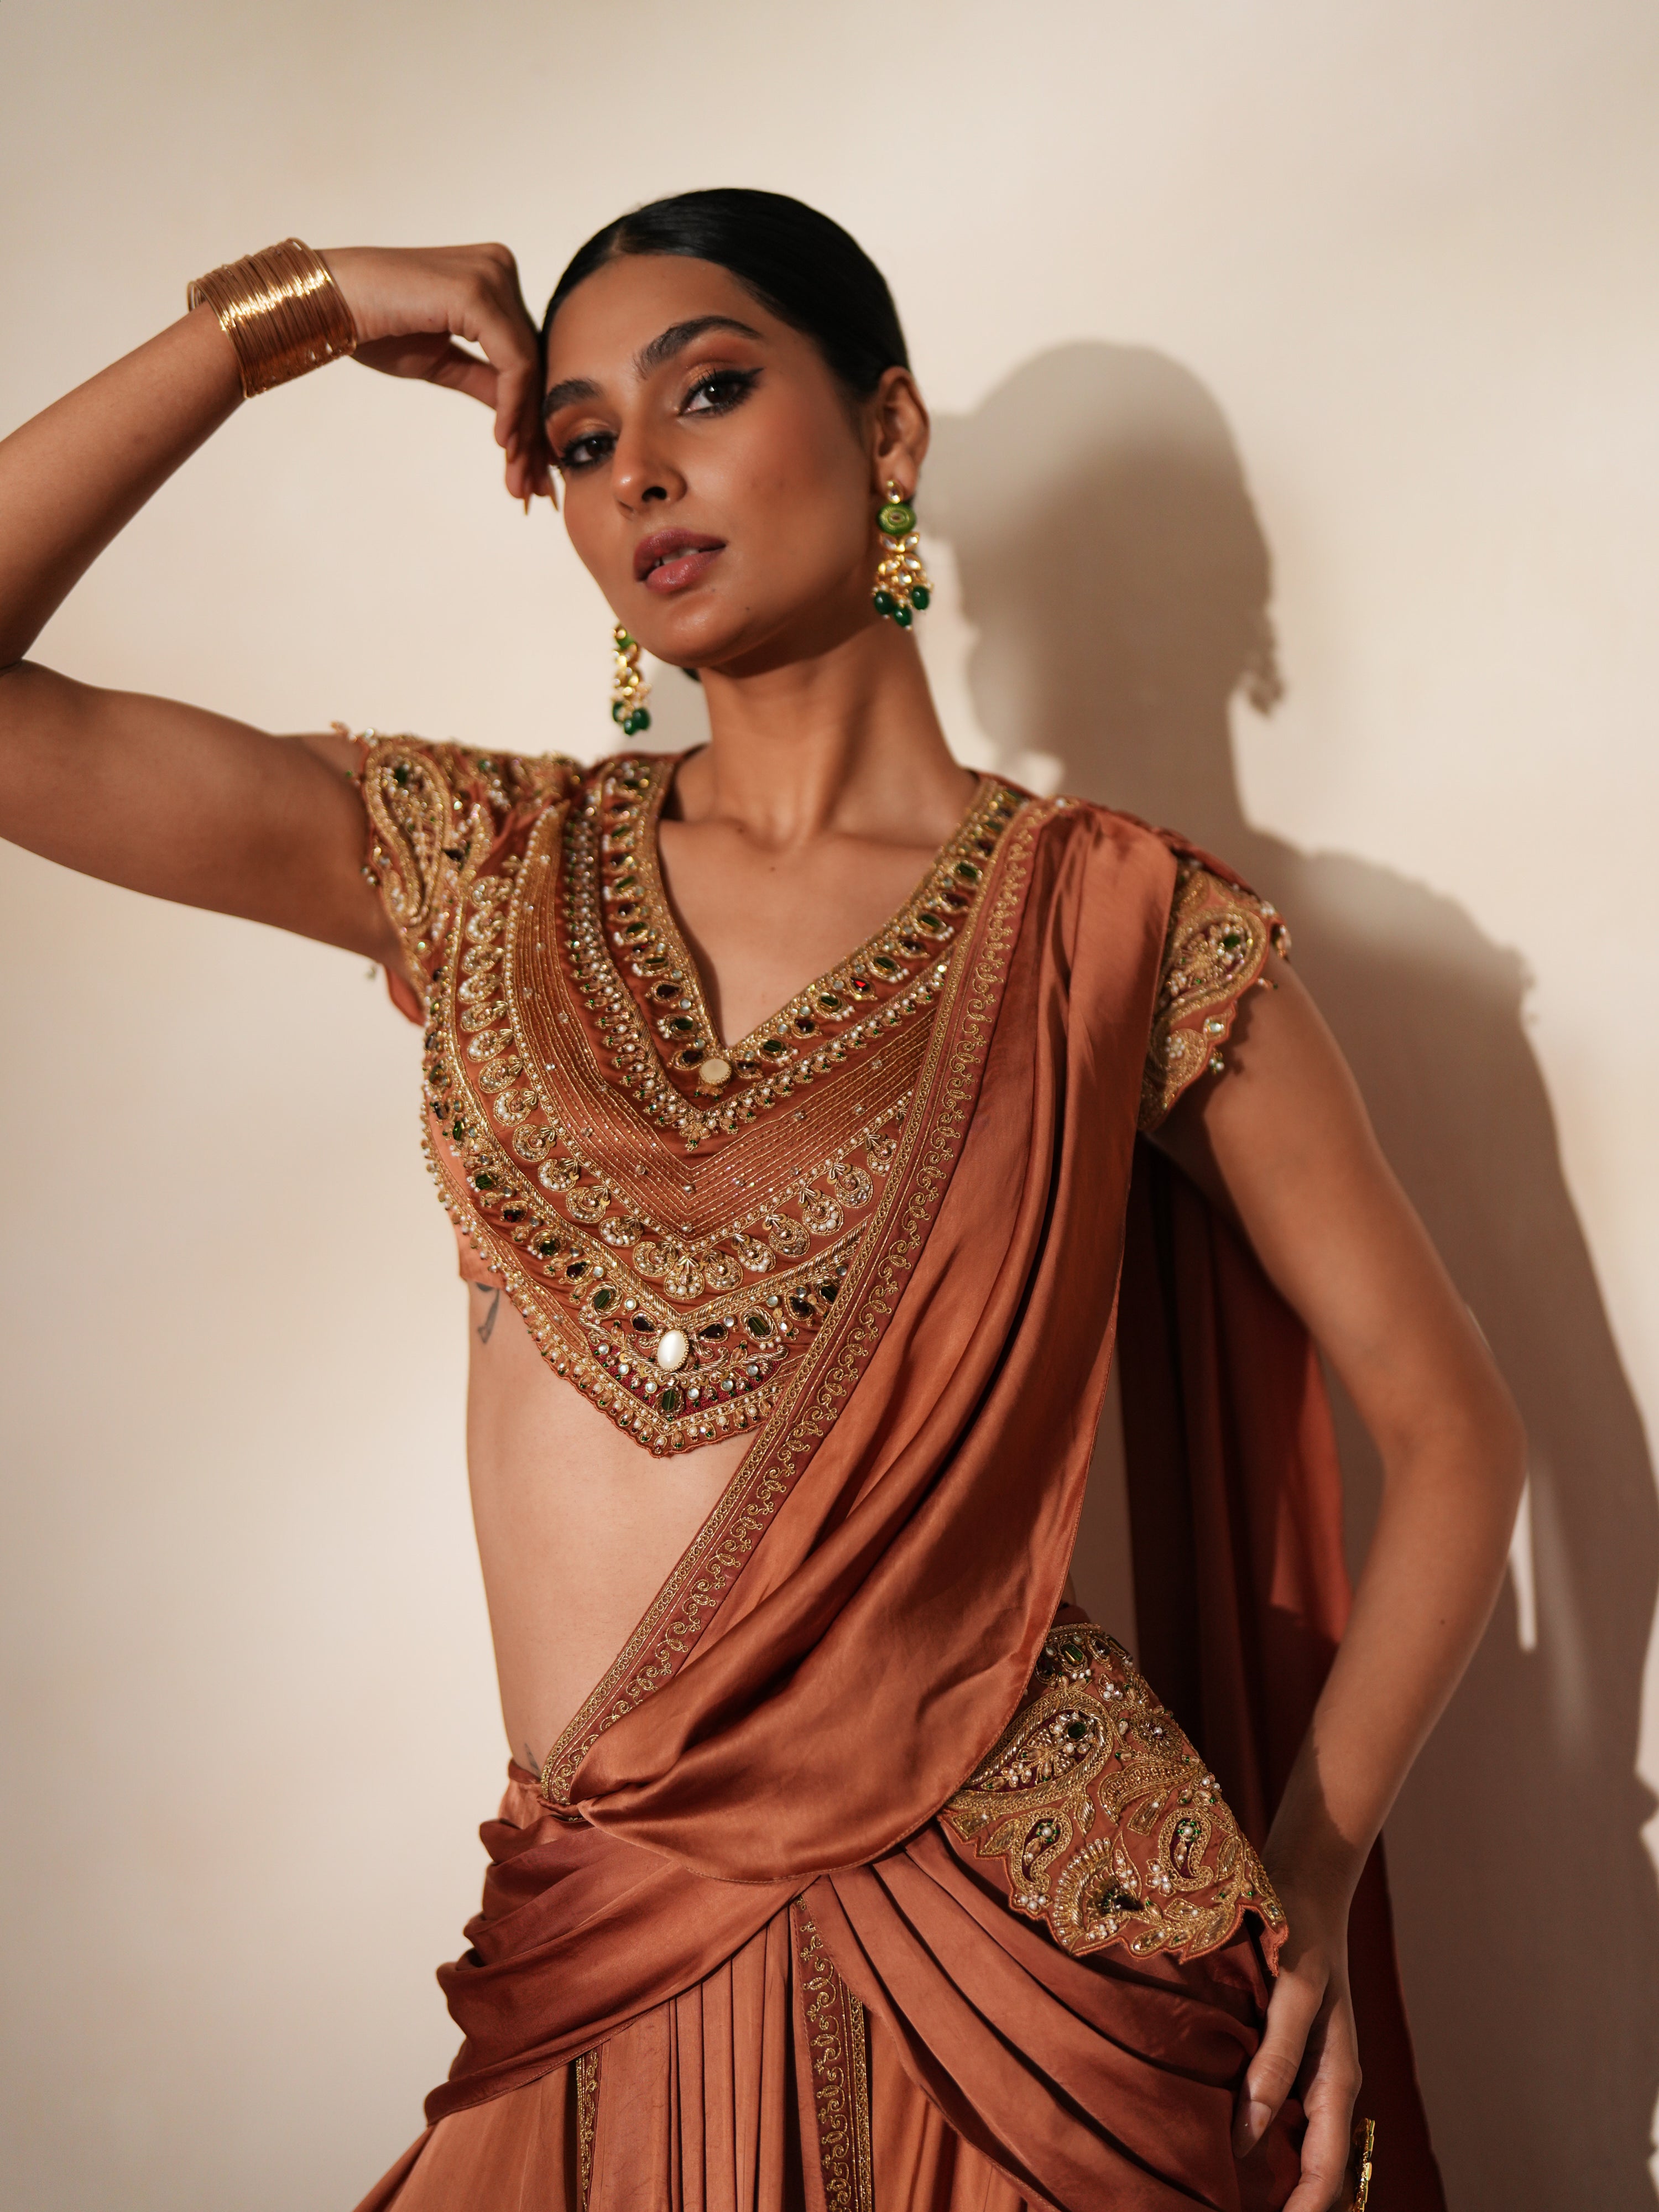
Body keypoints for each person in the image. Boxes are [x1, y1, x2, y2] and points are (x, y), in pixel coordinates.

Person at [0, 190, 1522, 2212]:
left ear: (890, 430)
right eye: (576, 436)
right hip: (595, 1963)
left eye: (710, 390)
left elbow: (1453, 1431)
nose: (641, 469)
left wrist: (1314, 1876)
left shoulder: (1115, 922)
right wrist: (288, 312)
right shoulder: (475, 873)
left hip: (1048, 1993)